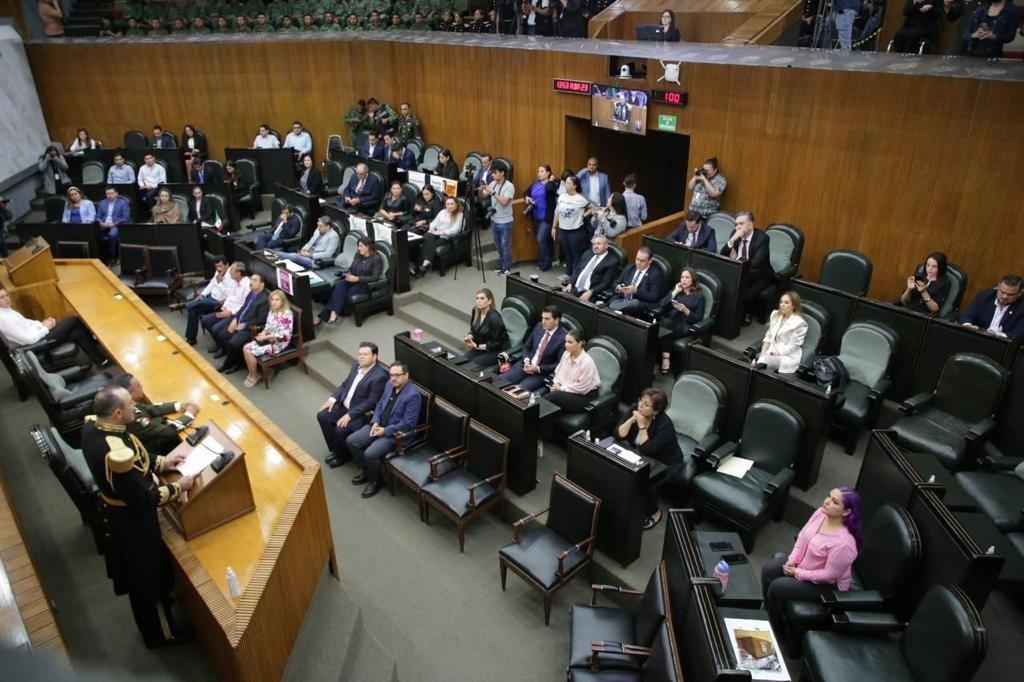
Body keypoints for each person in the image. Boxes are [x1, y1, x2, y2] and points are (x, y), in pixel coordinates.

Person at [81, 385, 195, 648]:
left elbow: (136, 457)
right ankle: (162, 634)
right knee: (148, 579)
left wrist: (162, 463)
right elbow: (143, 498)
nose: (137, 406)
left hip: (119, 511)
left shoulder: (94, 426)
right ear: (118, 413)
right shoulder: (113, 454)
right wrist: (179, 488)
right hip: (131, 523)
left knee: (149, 574)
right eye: (131, 406)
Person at [760, 486, 862, 636]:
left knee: (777, 587)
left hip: (827, 585)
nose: (827, 502)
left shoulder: (845, 543)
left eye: (834, 502)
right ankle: (771, 610)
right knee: (768, 570)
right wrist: (792, 560)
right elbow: (802, 537)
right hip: (804, 563)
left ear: (846, 512)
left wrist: (797, 572)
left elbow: (829, 575)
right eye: (828, 496)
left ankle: (776, 629)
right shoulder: (821, 513)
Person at [346, 362, 423, 498]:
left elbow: (408, 423)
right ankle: (368, 471)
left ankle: (375, 482)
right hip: (378, 425)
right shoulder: (389, 385)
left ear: (406, 376)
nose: (393, 378)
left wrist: (385, 430)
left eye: (397, 375)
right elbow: (380, 404)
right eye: (391, 375)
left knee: (370, 454)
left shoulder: (413, 396)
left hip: (394, 434)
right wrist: (375, 421)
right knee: (352, 441)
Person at [617, 388, 681, 530]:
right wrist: (632, 420)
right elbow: (619, 435)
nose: (640, 405)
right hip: (642, 456)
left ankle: (655, 512)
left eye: (646, 405)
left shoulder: (665, 425)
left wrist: (641, 426)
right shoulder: (635, 408)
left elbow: (648, 449)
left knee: (644, 481)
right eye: (641, 400)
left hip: (666, 464)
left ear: (656, 411)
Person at [317, 342, 389, 467]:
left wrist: (349, 415)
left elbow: (371, 402)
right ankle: (336, 450)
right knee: (322, 416)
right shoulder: (356, 365)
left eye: (365, 354)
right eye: (359, 354)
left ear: (374, 357)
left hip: (359, 413)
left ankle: (341, 456)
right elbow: (345, 384)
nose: (361, 357)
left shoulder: (380, 376)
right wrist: (332, 399)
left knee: (340, 430)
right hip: (343, 404)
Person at [0, 286, 109, 366]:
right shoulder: (3, 318)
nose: (7, 299)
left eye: (6, 295)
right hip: (37, 344)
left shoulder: (6, 310)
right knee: (72, 320)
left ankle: (101, 361)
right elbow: (28, 339)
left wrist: (42, 324)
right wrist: (45, 327)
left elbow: (28, 323)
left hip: (39, 336)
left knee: (77, 333)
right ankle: (96, 341)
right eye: (2, 297)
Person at [113, 373, 200, 456]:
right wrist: (189, 414)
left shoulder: (124, 403)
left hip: (148, 435)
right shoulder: (131, 416)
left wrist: (179, 405)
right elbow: (169, 431)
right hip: (153, 449)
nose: (142, 386)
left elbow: (150, 409)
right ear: (128, 394)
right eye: (138, 386)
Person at [317, 236, 383, 326]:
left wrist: (358, 278)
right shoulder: (358, 255)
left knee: (342, 294)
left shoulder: (376, 259)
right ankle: (333, 314)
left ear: (368, 247)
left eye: (361, 246)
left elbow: (376, 277)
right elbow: (352, 268)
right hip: (352, 279)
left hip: (363, 284)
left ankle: (325, 316)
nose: (358, 248)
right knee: (339, 285)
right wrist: (347, 274)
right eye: (358, 246)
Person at [212, 272, 269, 374]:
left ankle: (228, 365)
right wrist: (235, 319)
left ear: (262, 284)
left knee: (233, 343)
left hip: (250, 328)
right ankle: (236, 359)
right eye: (251, 279)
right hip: (239, 321)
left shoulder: (265, 299)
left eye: (254, 280)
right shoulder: (252, 292)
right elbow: (243, 308)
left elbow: (262, 319)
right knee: (222, 334)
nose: (251, 282)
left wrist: (245, 325)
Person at [497, 305, 566, 391]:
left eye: (547, 319)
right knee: (497, 382)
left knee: (516, 393)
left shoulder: (563, 338)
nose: (543, 321)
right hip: (525, 365)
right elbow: (526, 346)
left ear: (556, 320)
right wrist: (526, 360)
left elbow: (559, 365)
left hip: (540, 373)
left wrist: (538, 369)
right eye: (542, 318)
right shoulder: (539, 327)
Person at [721, 212, 772, 325]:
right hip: (740, 272)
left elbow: (756, 263)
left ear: (751, 224)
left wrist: (737, 259)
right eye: (736, 224)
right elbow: (723, 254)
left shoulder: (762, 238)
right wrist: (731, 240)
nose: (738, 227)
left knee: (745, 295)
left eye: (741, 224)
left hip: (759, 275)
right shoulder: (735, 234)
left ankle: (745, 315)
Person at [240, 289, 293, 388]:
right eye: (272, 300)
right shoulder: (272, 311)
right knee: (245, 347)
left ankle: (254, 375)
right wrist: (262, 334)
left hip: (278, 343)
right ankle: (252, 374)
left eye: (277, 300)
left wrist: (266, 337)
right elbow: (268, 326)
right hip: (267, 339)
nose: (274, 302)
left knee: (249, 351)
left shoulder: (287, 314)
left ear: (282, 301)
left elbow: (284, 335)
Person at [658, 267, 705, 373]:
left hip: (684, 325)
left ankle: (664, 360)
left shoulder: (699, 297)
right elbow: (661, 305)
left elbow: (698, 318)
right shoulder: (677, 292)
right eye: (682, 277)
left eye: (687, 277)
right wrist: (674, 292)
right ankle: (663, 360)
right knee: (665, 326)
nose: (683, 280)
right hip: (670, 322)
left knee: (663, 327)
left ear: (693, 280)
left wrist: (685, 310)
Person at [177, 256, 232, 345]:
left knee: (196, 304)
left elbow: (230, 295)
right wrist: (202, 294)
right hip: (210, 297)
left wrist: (220, 282)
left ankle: (186, 304)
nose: (218, 269)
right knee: (193, 310)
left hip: (219, 303)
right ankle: (191, 338)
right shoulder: (218, 272)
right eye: (216, 266)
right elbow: (211, 284)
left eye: (220, 266)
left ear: (227, 265)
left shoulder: (231, 276)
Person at [546, 330, 601, 414]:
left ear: (580, 343)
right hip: (566, 390)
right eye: (566, 341)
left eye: (570, 342)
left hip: (583, 396)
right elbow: (558, 373)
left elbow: (582, 388)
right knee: (551, 406)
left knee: (553, 398)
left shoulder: (587, 362)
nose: (566, 345)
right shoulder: (566, 354)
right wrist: (556, 384)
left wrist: (560, 389)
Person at [200, 262, 250, 351]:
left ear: (238, 273)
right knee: (205, 320)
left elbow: (246, 306)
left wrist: (230, 312)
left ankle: (223, 348)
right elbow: (230, 296)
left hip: (235, 314)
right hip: (226, 309)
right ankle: (220, 344)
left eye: (231, 271)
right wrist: (224, 307)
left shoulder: (247, 286)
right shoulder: (234, 281)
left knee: (216, 329)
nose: (229, 272)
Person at [756, 291, 808, 374]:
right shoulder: (775, 315)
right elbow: (769, 336)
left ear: (794, 306)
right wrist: (763, 351)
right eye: (781, 302)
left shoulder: (800, 323)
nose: (782, 305)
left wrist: (776, 353)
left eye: (786, 303)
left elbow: (793, 346)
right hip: (771, 351)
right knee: (762, 359)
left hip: (787, 356)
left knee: (764, 360)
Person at [960, 274, 1024, 339]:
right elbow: (967, 315)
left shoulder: (1022, 307)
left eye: (1010, 295)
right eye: (1002, 292)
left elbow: (1019, 333)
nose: (1005, 296)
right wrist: (968, 325)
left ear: (1020, 293)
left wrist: (998, 336)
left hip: (1002, 345)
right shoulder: (984, 296)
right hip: (976, 338)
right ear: (998, 287)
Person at [552, 175, 592, 278]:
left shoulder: (581, 198)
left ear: (575, 186)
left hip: (576, 231)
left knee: (576, 255)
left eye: (569, 183)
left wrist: (584, 215)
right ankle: (568, 273)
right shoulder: (561, 196)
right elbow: (557, 212)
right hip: (563, 230)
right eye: (566, 183)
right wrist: (554, 227)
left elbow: (593, 207)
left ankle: (576, 276)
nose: (566, 185)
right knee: (567, 253)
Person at [414, 196, 464, 277]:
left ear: (456, 205)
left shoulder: (460, 215)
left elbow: (456, 229)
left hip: (447, 237)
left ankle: (420, 266)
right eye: (448, 204)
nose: (450, 206)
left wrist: (440, 232)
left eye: (452, 204)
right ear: (445, 205)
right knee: (427, 236)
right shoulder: (443, 211)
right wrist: (432, 228)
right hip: (436, 233)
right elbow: (434, 222)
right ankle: (425, 263)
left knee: (426, 242)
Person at [607, 245, 664, 316]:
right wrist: (619, 288)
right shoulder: (630, 268)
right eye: (637, 259)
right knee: (614, 301)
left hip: (639, 304)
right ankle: (616, 309)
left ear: (650, 261)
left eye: (642, 261)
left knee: (635, 302)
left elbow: (654, 297)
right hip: (621, 299)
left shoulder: (655, 274)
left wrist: (636, 291)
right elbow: (615, 284)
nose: (638, 263)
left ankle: (611, 308)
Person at [480, 165, 516, 275]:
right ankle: (503, 266)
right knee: (498, 245)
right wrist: (482, 189)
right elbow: (481, 196)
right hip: (494, 220)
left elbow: (504, 202)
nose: (492, 175)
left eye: (495, 173)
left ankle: (507, 268)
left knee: (505, 246)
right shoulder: (492, 184)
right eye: (492, 173)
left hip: (505, 221)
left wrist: (492, 192)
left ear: (502, 173)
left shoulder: (509, 186)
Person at [564, 234, 619, 302]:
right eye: (594, 244)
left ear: (606, 246)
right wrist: (570, 283)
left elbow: (606, 283)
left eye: (599, 244)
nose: (595, 246)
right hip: (575, 287)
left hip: (589, 291)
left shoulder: (611, 262)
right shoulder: (588, 253)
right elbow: (577, 270)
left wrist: (591, 291)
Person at [524, 165, 559, 272]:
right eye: (538, 171)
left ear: (548, 173)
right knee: (544, 240)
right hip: (536, 216)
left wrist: (551, 180)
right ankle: (546, 261)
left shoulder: (551, 184)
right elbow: (525, 192)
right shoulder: (535, 184)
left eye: (542, 171)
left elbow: (549, 189)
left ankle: (544, 264)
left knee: (541, 239)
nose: (539, 173)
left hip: (547, 218)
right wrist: (527, 197)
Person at [463, 288, 509, 369]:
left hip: (494, 350)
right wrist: (470, 336)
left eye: (482, 298)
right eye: (477, 298)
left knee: (472, 366)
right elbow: (474, 330)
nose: (479, 301)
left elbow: (497, 343)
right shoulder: (476, 311)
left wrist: (477, 345)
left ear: (490, 301)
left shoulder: (495, 319)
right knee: (462, 360)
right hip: (480, 347)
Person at [274, 215, 341, 270]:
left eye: (320, 226)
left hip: (316, 261)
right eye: (318, 225)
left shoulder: (333, 236)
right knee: (287, 261)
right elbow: (310, 242)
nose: (318, 228)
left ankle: (273, 254)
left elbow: (328, 255)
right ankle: (274, 256)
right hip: (306, 255)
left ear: (328, 227)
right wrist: (303, 250)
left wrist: (310, 255)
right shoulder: (318, 230)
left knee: (294, 257)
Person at [896, 251, 949, 315]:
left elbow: (935, 308)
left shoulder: (944, 283)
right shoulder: (920, 276)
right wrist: (909, 289)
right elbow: (903, 301)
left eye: (934, 266)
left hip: (923, 315)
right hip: (907, 310)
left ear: (941, 267)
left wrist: (924, 292)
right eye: (928, 265)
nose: (929, 269)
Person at [96, 186, 131, 262]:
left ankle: (111, 256)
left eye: (112, 193)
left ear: (116, 194)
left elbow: (126, 218)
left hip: (116, 225)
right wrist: (101, 223)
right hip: (103, 225)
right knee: (94, 232)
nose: (110, 195)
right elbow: (98, 216)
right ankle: (98, 256)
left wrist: (114, 224)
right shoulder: (102, 202)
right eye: (108, 193)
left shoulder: (123, 203)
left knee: (112, 234)